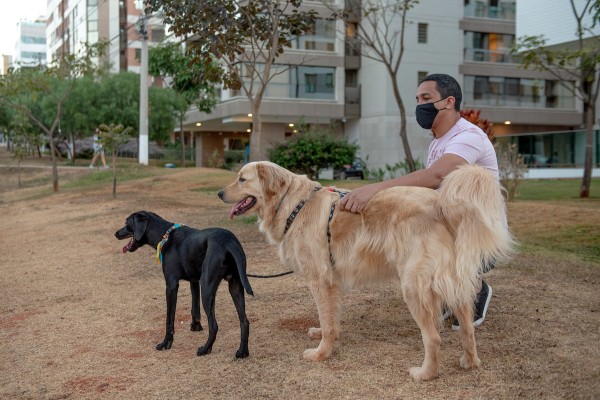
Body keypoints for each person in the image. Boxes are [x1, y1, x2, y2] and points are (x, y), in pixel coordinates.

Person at [339, 73, 501, 331]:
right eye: (416, 99)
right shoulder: (438, 140)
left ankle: (475, 286)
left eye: (426, 98)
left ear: (449, 102)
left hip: (478, 226)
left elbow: (435, 175)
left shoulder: (469, 137)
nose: (419, 105)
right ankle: (450, 289)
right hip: (448, 215)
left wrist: (375, 189)